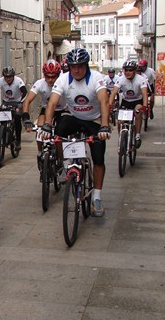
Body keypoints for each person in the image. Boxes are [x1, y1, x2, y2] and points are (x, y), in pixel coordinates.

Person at [38, 48, 111, 218]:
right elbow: (52, 103)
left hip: (93, 120)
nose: (76, 70)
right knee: (58, 132)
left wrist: (105, 126)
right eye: (72, 66)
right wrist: (47, 125)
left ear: (86, 65)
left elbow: (104, 101)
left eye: (79, 66)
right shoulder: (63, 79)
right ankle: (65, 165)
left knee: (99, 158)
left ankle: (97, 197)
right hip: (74, 117)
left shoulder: (96, 79)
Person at [21, 59, 67, 165]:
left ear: (58, 75)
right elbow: (27, 100)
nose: (50, 80)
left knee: (60, 134)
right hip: (46, 110)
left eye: (53, 76)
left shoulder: (63, 83)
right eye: (47, 76)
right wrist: (26, 117)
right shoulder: (40, 83)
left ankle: (62, 159)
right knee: (40, 129)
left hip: (62, 110)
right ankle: (40, 152)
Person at [109, 60, 148, 149]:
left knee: (138, 113)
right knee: (120, 121)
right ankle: (121, 138)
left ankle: (137, 135)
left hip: (137, 101)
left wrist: (145, 106)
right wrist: (109, 105)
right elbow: (114, 92)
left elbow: (145, 93)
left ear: (134, 71)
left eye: (130, 70)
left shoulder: (140, 79)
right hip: (126, 102)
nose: (128, 72)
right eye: (126, 70)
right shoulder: (121, 79)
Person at [0, 66, 27, 149]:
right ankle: (3, 135)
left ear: (13, 76)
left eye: (10, 77)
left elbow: (25, 93)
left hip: (17, 102)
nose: (8, 79)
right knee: (1, 119)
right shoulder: (1, 81)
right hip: (6, 102)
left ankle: (18, 140)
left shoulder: (18, 81)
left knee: (17, 119)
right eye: (6, 77)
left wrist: (21, 103)